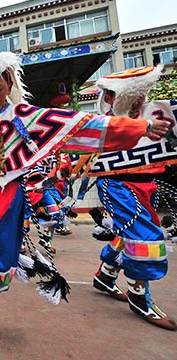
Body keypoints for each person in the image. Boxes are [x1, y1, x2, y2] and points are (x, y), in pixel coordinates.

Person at [0, 52, 170, 343]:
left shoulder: (27, 117)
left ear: (9, 84)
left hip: (7, 197)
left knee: (3, 270)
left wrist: (141, 127)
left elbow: (83, 125)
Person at [90, 65, 177, 330]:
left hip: (145, 185)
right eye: (133, 94)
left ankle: (105, 276)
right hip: (117, 186)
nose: (139, 99)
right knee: (145, 237)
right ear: (110, 98)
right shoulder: (105, 123)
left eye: (142, 93)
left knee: (128, 233)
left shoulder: (159, 115)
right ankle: (139, 296)